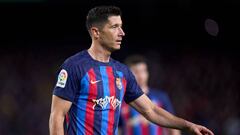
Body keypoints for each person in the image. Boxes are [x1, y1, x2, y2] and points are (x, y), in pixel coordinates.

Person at [49, 5, 214, 135]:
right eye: (114, 27)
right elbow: (57, 117)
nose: (122, 32)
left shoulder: (122, 72)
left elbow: (151, 111)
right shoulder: (74, 67)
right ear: (96, 32)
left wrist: (188, 125)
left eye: (121, 26)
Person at [119, 54, 181, 135]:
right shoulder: (121, 99)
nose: (140, 75)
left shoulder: (161, 97)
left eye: (143, 71)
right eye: (136, 72)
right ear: (128, 75)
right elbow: (118, 128)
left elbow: (173, 126)